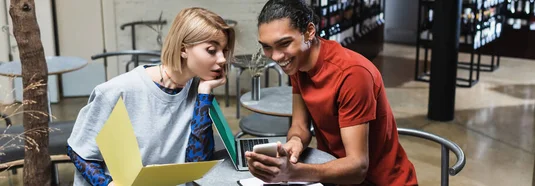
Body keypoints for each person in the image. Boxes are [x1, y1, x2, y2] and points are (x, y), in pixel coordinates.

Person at [245, 0, 418, 185]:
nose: (276, 56)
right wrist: (295, 142)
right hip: (335, 176)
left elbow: (358, 167)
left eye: (285, 43)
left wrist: (293, 173)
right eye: (267, 47)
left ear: (309, 32)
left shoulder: (352, 75)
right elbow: (300, 126)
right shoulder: (297, 65)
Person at [66, 7, 235, 186]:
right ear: (183, 49)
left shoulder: (199, 91)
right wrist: (106, 184)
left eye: (223, 51)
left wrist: (204, 93)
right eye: (211, 50)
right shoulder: (117, 92)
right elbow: (79, 151)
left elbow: (198, 165)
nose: (222, 59)